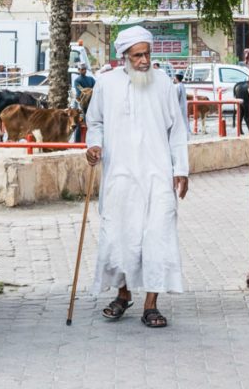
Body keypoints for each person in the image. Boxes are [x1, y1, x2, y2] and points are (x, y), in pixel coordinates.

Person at [85, 25, 188, 329]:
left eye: (147, 54)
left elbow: (177, 129)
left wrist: (180, 169)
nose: (145, 60)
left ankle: (151, 305)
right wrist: (94, 145)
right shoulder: (106, 84)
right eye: (138, 55)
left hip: (158, 176)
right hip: (120, 176)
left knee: (157, 237)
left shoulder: (164, 83)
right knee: (120, 238)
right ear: (124, 57)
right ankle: (122, 295)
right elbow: (95, 122)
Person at [71, 62, 96, 142]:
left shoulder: (91, 79)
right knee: (78, 123)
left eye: (84, 69)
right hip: (81, 105)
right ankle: (77, 142)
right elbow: (80, 92)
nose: (83, 71)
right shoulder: (77, 80)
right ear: (78, 70)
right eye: (81, 69)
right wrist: (90, 91)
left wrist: (89, 91)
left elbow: (96, 89)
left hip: (91, 103)